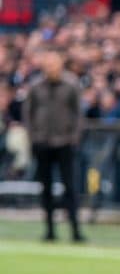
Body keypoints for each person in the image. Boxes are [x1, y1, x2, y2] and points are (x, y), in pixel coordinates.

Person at [25, 51, 85, 242]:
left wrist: (74, 136)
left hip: (64, 142)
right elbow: (28, 114)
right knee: (46, 187)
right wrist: (33, 136)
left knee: (70, 186)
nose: (51, 68)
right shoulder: (36, 86)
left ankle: (75, 230)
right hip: (42, 142)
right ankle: (50, 230)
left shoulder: (71, 84)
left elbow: (78, 113)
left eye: (54, 64)